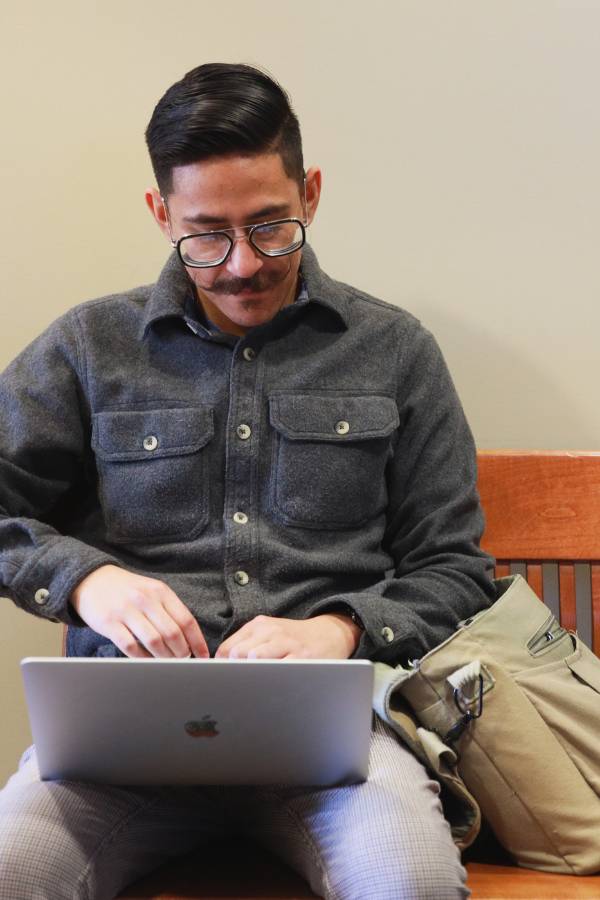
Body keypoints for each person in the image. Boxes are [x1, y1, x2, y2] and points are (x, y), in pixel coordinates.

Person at [0, 63, 495, 899]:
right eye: (206, 235)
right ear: (161, 214)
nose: (240, 266)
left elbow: (455, 567)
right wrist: (86, 582)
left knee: (409, 882)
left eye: (271, 227)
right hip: (118, 755)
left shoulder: (395, 350)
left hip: (337, 747)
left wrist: (342, 628)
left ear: (312, 192)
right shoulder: (89, 346)